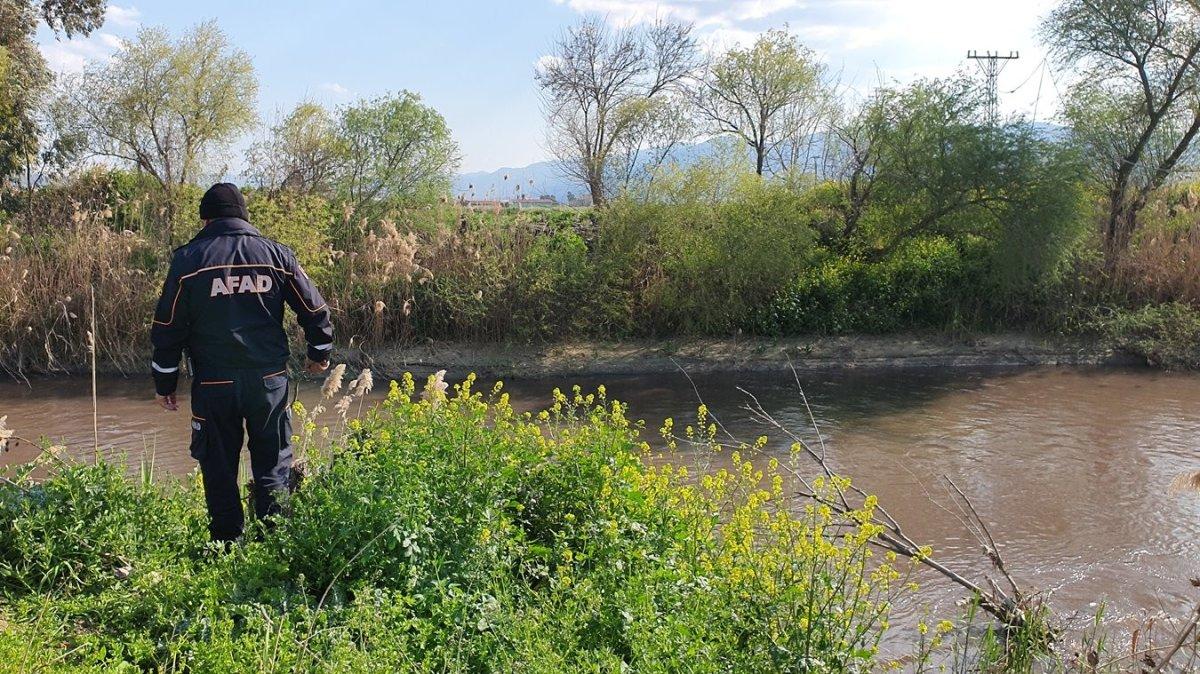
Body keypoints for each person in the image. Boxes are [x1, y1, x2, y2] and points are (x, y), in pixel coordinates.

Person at [150, 183, 333, 543]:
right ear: (245, 217)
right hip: (269, 381)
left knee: (218, 468)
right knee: (273, 463)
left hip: (214, 384)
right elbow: (315, 310)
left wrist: (164, 385)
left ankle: (226, 547)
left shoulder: (188, 261)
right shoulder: (276, 255)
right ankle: (272, 546)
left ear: (205, 220)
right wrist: (319, 354)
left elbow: (167, 327)